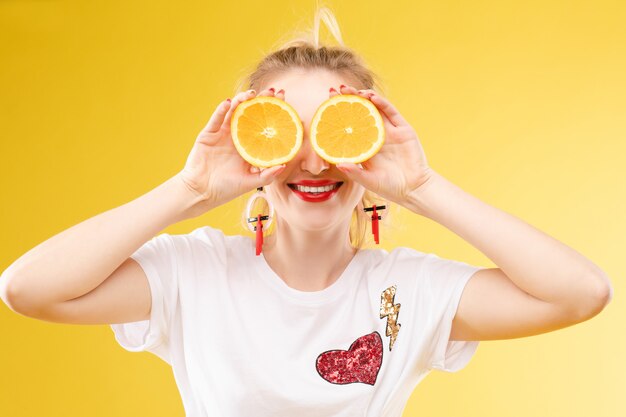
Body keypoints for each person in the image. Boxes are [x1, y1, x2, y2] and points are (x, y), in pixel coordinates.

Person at [0, 6, 613, 417]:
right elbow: (27, 289)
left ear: (369, 144)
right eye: (285, 132)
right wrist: (189, 190)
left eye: (337, 131)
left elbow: (580, 293)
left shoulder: (405, 289)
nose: (314, 162)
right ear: (249, 142)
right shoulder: (194, 273)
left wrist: (421, 186)